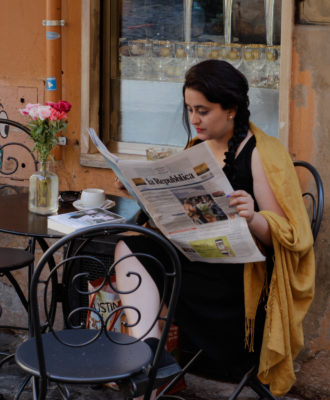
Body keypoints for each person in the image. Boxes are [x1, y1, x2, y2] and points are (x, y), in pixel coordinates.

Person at [114, 59, 315, 397]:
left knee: (150, 263)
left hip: (237, 285)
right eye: (190, 109)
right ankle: (153, 359)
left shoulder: (260, 153)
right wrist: (142, 194)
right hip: (197, 262)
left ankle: (151, 370)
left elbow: (285, 236)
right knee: (128, 247)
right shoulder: (197, 149)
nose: (194, 119)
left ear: (232, 109)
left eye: (203, 111)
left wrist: (252, 217)